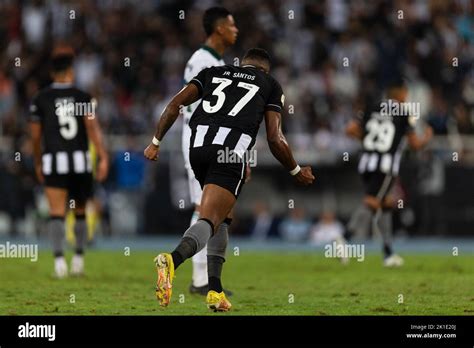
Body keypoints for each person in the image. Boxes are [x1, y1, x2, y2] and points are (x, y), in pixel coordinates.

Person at [144, 48, 315, 311]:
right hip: (228, 153)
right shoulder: (269, 83)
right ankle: (171, 260)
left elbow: (174, 104)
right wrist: (295, 170)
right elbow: (274, 137)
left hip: (198, 149)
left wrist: (155, 142)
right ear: (264, 70)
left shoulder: (214, 72)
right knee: (210, 219)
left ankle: (215, 291)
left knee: (224, 215)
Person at [29, 45, 109, 278]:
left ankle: (59, 264)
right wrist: (103, 157)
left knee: (56, 213)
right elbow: (93, 129)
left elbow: (35, 136)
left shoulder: (40, 99)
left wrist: (37, 161)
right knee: (81, 212)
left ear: (53, 73)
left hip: (54, 162)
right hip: (81, 163)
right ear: (70, 72)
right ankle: (78, 261)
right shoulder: (83, 97)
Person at [345, 78, 432, 267]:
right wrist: (427, 138)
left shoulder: (373, 106)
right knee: (372, 201)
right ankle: (344, 239)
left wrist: (370, 142)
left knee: (386, 203)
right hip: (385, 165)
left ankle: (388, 252)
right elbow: (415, 145)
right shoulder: (403, 112)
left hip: (366, 162)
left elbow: (350, 130)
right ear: (400, 93)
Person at [182, 7, 238, 296]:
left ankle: (202, 278)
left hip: (214, 139)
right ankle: (200, 279)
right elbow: (191, 108)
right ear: (218, 29)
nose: (235, 30)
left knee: (214, 209)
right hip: (199, 139)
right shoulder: (200, 61)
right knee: (202, 208)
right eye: (231, 25)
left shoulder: (217, 61)